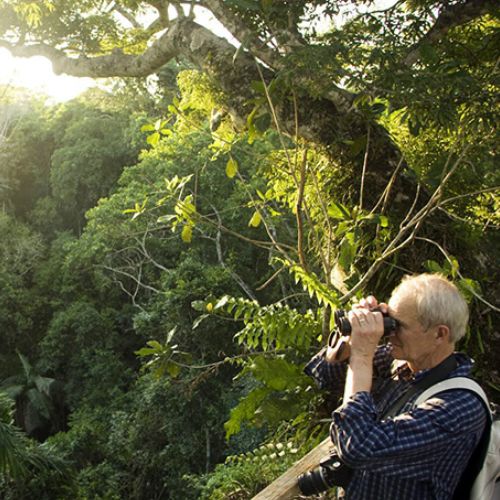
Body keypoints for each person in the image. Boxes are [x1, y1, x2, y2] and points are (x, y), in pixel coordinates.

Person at [304, 273, 488, 500]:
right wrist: (351, 338)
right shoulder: (401, 365)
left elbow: (358, 446)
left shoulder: (458, 408)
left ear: (439, 334)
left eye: (397, 325)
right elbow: (324, 375)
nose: (388, 332)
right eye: (388, 320)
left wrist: (362, 356)